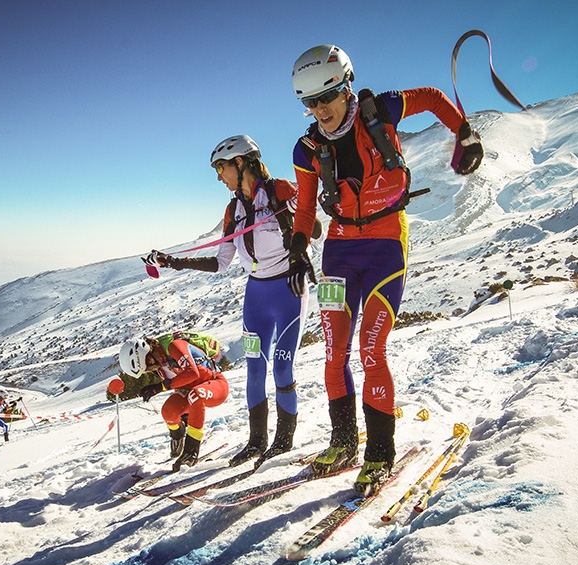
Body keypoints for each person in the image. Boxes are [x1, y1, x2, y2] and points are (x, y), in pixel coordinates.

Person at [286, 45, 484, 496]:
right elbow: (303, 206)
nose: (320, 110)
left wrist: (465, 133)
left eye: (327, 98)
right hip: (338, 250)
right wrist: (299, 249)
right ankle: (342, 443)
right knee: (334, 352)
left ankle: (379, 452)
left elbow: (433, 97)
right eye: (310, 104)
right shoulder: (307, 148)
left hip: (385, 245)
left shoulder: (382, 110)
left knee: (371, 348)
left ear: (345, 87)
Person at [144, 135, 311, 468]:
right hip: (256, 296)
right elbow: (221, 261)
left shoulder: (282, 190)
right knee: (254, 369)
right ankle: (256, 442)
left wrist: (296, 223)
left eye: (221, 168)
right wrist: (175, 261)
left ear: (240, 163)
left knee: (281, 366)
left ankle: (283, 440)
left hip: (289, 291)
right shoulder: (233, 209)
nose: (219, 177)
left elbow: (314, 226)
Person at [119, 333, 229, 471]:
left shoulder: (175, 346)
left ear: (149, 357)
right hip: (189, 391)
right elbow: (179, 383)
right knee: (168, 412)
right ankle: (178, 435)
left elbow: (192, 373)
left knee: (196, 395)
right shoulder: (160, 362)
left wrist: (160, 387)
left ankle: (191, 450)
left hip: (215, 384)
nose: (150, 371)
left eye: (148, 367)